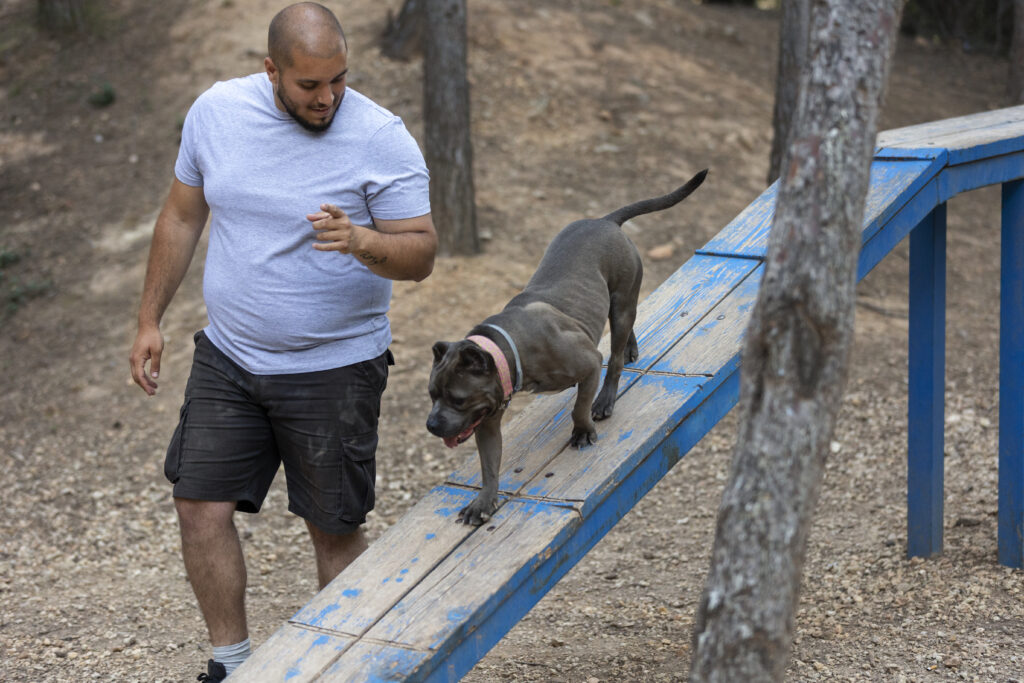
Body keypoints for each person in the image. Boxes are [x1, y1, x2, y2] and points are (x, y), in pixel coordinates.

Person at [128, 3, 436, 680]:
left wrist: (361, 240)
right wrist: (150, 318)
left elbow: (421, 253)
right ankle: (231, 663)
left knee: (333, 527)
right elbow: (182, 215)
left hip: (336, 366)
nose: (327, 98)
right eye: (309, 86)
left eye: (339, 80)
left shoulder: (380, 135)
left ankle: (346, 667)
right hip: (230, 354)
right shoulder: (216, 113)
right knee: (198, 505)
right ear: (271, 70)